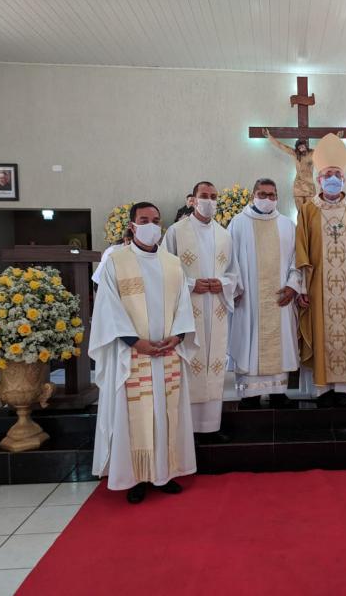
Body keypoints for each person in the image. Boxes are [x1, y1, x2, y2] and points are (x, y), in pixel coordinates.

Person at [90, 201, 197, 504]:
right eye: (144, 220)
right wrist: (135, 342)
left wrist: (177, 337)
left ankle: (165, 473)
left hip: (167, 353)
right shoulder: (116, 262)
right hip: (133, 354)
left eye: (155, 220)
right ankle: (135, 478)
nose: (151, 225)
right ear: (132, 225)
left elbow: (183, 304)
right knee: (134, 416)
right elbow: (108, 307)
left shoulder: (172, 263)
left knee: (166, 413)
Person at [295, 133, 346, 407]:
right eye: (327, 174)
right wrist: (302, 287)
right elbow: (301, 251)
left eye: (337, 174)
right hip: (318, 286)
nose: (332, 178)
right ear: (319, 179)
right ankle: (323, 389)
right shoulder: (308, 210)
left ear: (344, 179)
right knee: (322, 333)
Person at [163, 181, 239, 437]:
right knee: (191, 361)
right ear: (193, 200)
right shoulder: (176, 232)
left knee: (214, 364)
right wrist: (191, 284)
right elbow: (164, 271)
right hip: (188, 309)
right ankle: (187, 430)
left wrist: (223, 284)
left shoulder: (224, 234)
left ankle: (211, 426)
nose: (209, 201)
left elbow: (234, 273)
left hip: (216, 308)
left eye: (213, 196)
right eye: (204, 196)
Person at [227, 178, 301, 409]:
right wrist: (235, 288)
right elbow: (229, 259)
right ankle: (249, 395)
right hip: (249, 299)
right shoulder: (238, 223)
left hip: (280, 297)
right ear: (253, 196)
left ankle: (278, 392)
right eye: (262, 194)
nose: (268, 199)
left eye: (272, 195)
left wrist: (293, 285)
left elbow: (297, 259)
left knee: (280, 343)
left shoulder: (287, 225)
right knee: (249, 342)